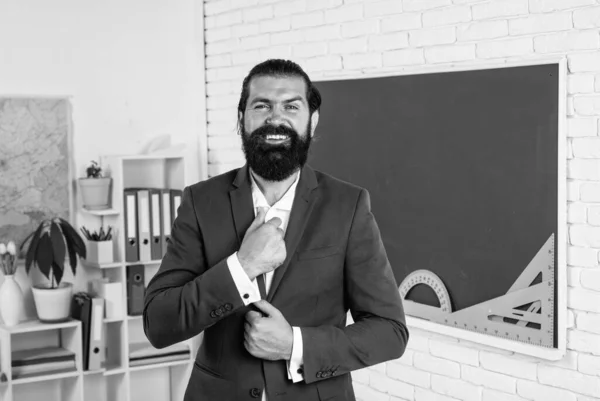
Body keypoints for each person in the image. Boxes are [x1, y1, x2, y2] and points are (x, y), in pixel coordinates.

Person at [143, 59, 409, 401]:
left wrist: (295, 345)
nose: (275, 118)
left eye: (291, 106)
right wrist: (242, 268)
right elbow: (159, 323)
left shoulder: (348, 205)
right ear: (241, 120)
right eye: (262, 105)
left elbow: (390, 332)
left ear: (311, 121)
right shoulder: (201, 202)